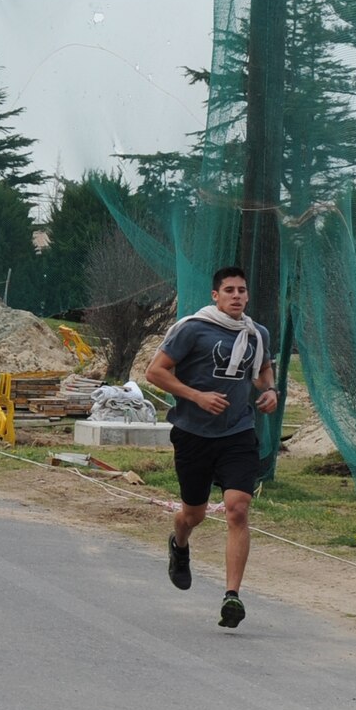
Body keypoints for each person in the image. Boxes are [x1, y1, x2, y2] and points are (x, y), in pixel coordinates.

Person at [144, 265, 277, 629]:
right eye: (229, 290)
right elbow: (154, 371)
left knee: (237, 510)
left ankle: (231, 596)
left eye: (242, 290)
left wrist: (270, 391)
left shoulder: (256, 334)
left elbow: (264, 371)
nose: (237, 296)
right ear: (215, 296)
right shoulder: (192, 328)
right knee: (194, 514)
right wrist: (196, 396)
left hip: (237, 431)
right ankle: (180, 542)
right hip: (192, 434)